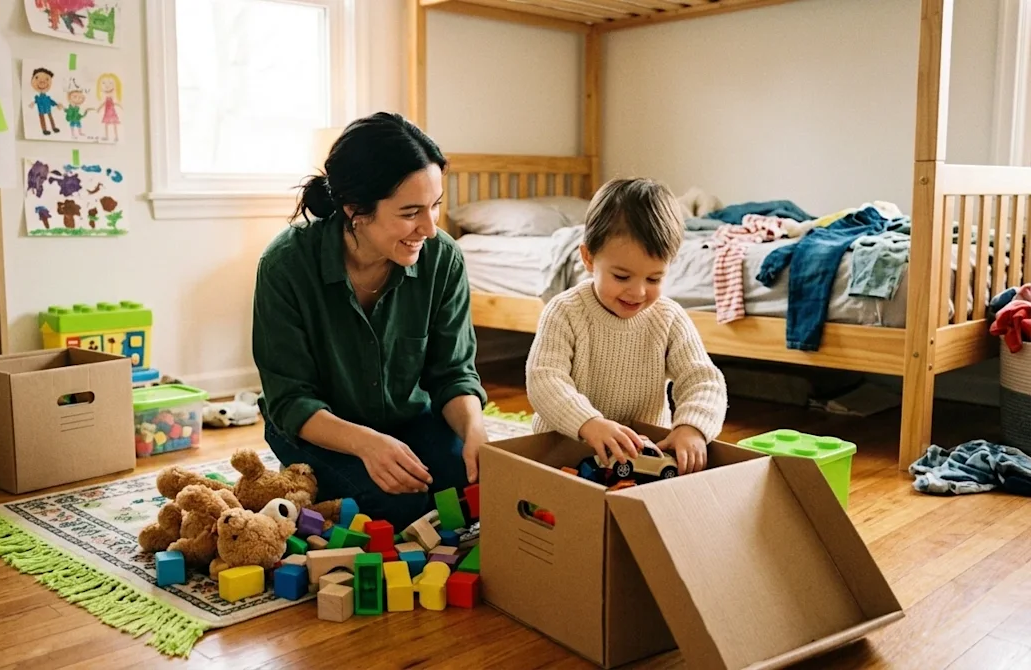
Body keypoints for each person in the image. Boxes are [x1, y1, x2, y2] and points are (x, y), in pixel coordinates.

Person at [252, 112, 489, 529]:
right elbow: (291, 399)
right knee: (394, 511)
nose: (430, 229)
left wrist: (474, 431)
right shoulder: (285, 265)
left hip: (407, 419)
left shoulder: (443, 259)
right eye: (411, 212)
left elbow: (453, 372)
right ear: (355, 209)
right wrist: (366, 444)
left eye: (435, 206)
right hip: (319, 428)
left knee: (471, 492)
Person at [525, 178, 727, 475]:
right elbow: (545, 380)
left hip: (643, 461)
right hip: (565, 453)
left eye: (654, 279)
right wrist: (588, 423)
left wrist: (692, 427)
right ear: (588, 259)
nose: (638, 292)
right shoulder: (565, 311)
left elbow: (703, 380)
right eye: (621, 277)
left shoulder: (668, 317)